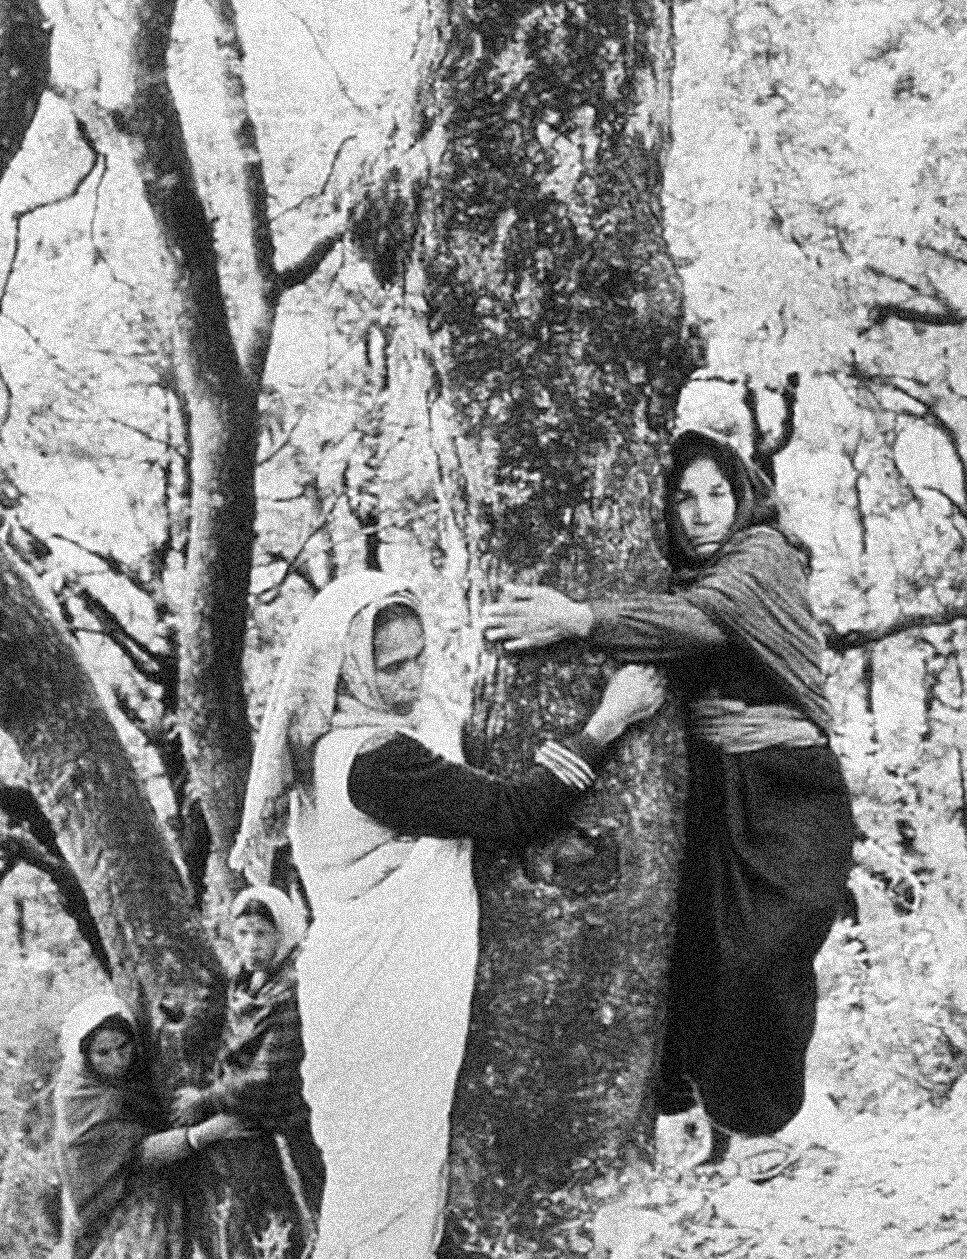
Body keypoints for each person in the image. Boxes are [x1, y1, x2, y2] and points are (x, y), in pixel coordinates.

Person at [231, 569, 664, 1259]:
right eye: (389, 664)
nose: (409, 679)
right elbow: (508, 812)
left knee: (380, 1186)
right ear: (347, 668)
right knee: (384, 1188)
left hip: (360, 981)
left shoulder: (340, 738)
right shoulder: (377, 759)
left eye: (417, 657)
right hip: (383, 996)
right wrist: (606, 720)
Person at [482, 428, 857, 1180]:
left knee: (764, 948)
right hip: (715, 785)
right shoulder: (675, 577)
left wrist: (578, 618)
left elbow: (698, 626)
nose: (700, 512)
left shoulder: (762, 559)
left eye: (716, 492)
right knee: (696, 946)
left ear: (743, 494)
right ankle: (709, 1123)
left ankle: (759, 1123)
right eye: (683, 497)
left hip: (788, 782)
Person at [173, 886, 326, 1231]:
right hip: (250, 1109)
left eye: (262, 933)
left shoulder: (292, 988)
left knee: (319, 1207)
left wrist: (207, 1100)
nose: (251, 944)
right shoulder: (246, 981)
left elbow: (272, 1074)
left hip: (295, 1118)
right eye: (242, 933)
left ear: (283, 934)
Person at [54, 993, 250, 1259]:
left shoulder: (137, 1073)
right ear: (84, 1056)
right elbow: (136, 1153)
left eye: (123, 1047)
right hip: (111, 1209)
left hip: (160, 1193)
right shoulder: (80, 1097)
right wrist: (208, 1132)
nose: (117, 1060)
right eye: (103, 1053)